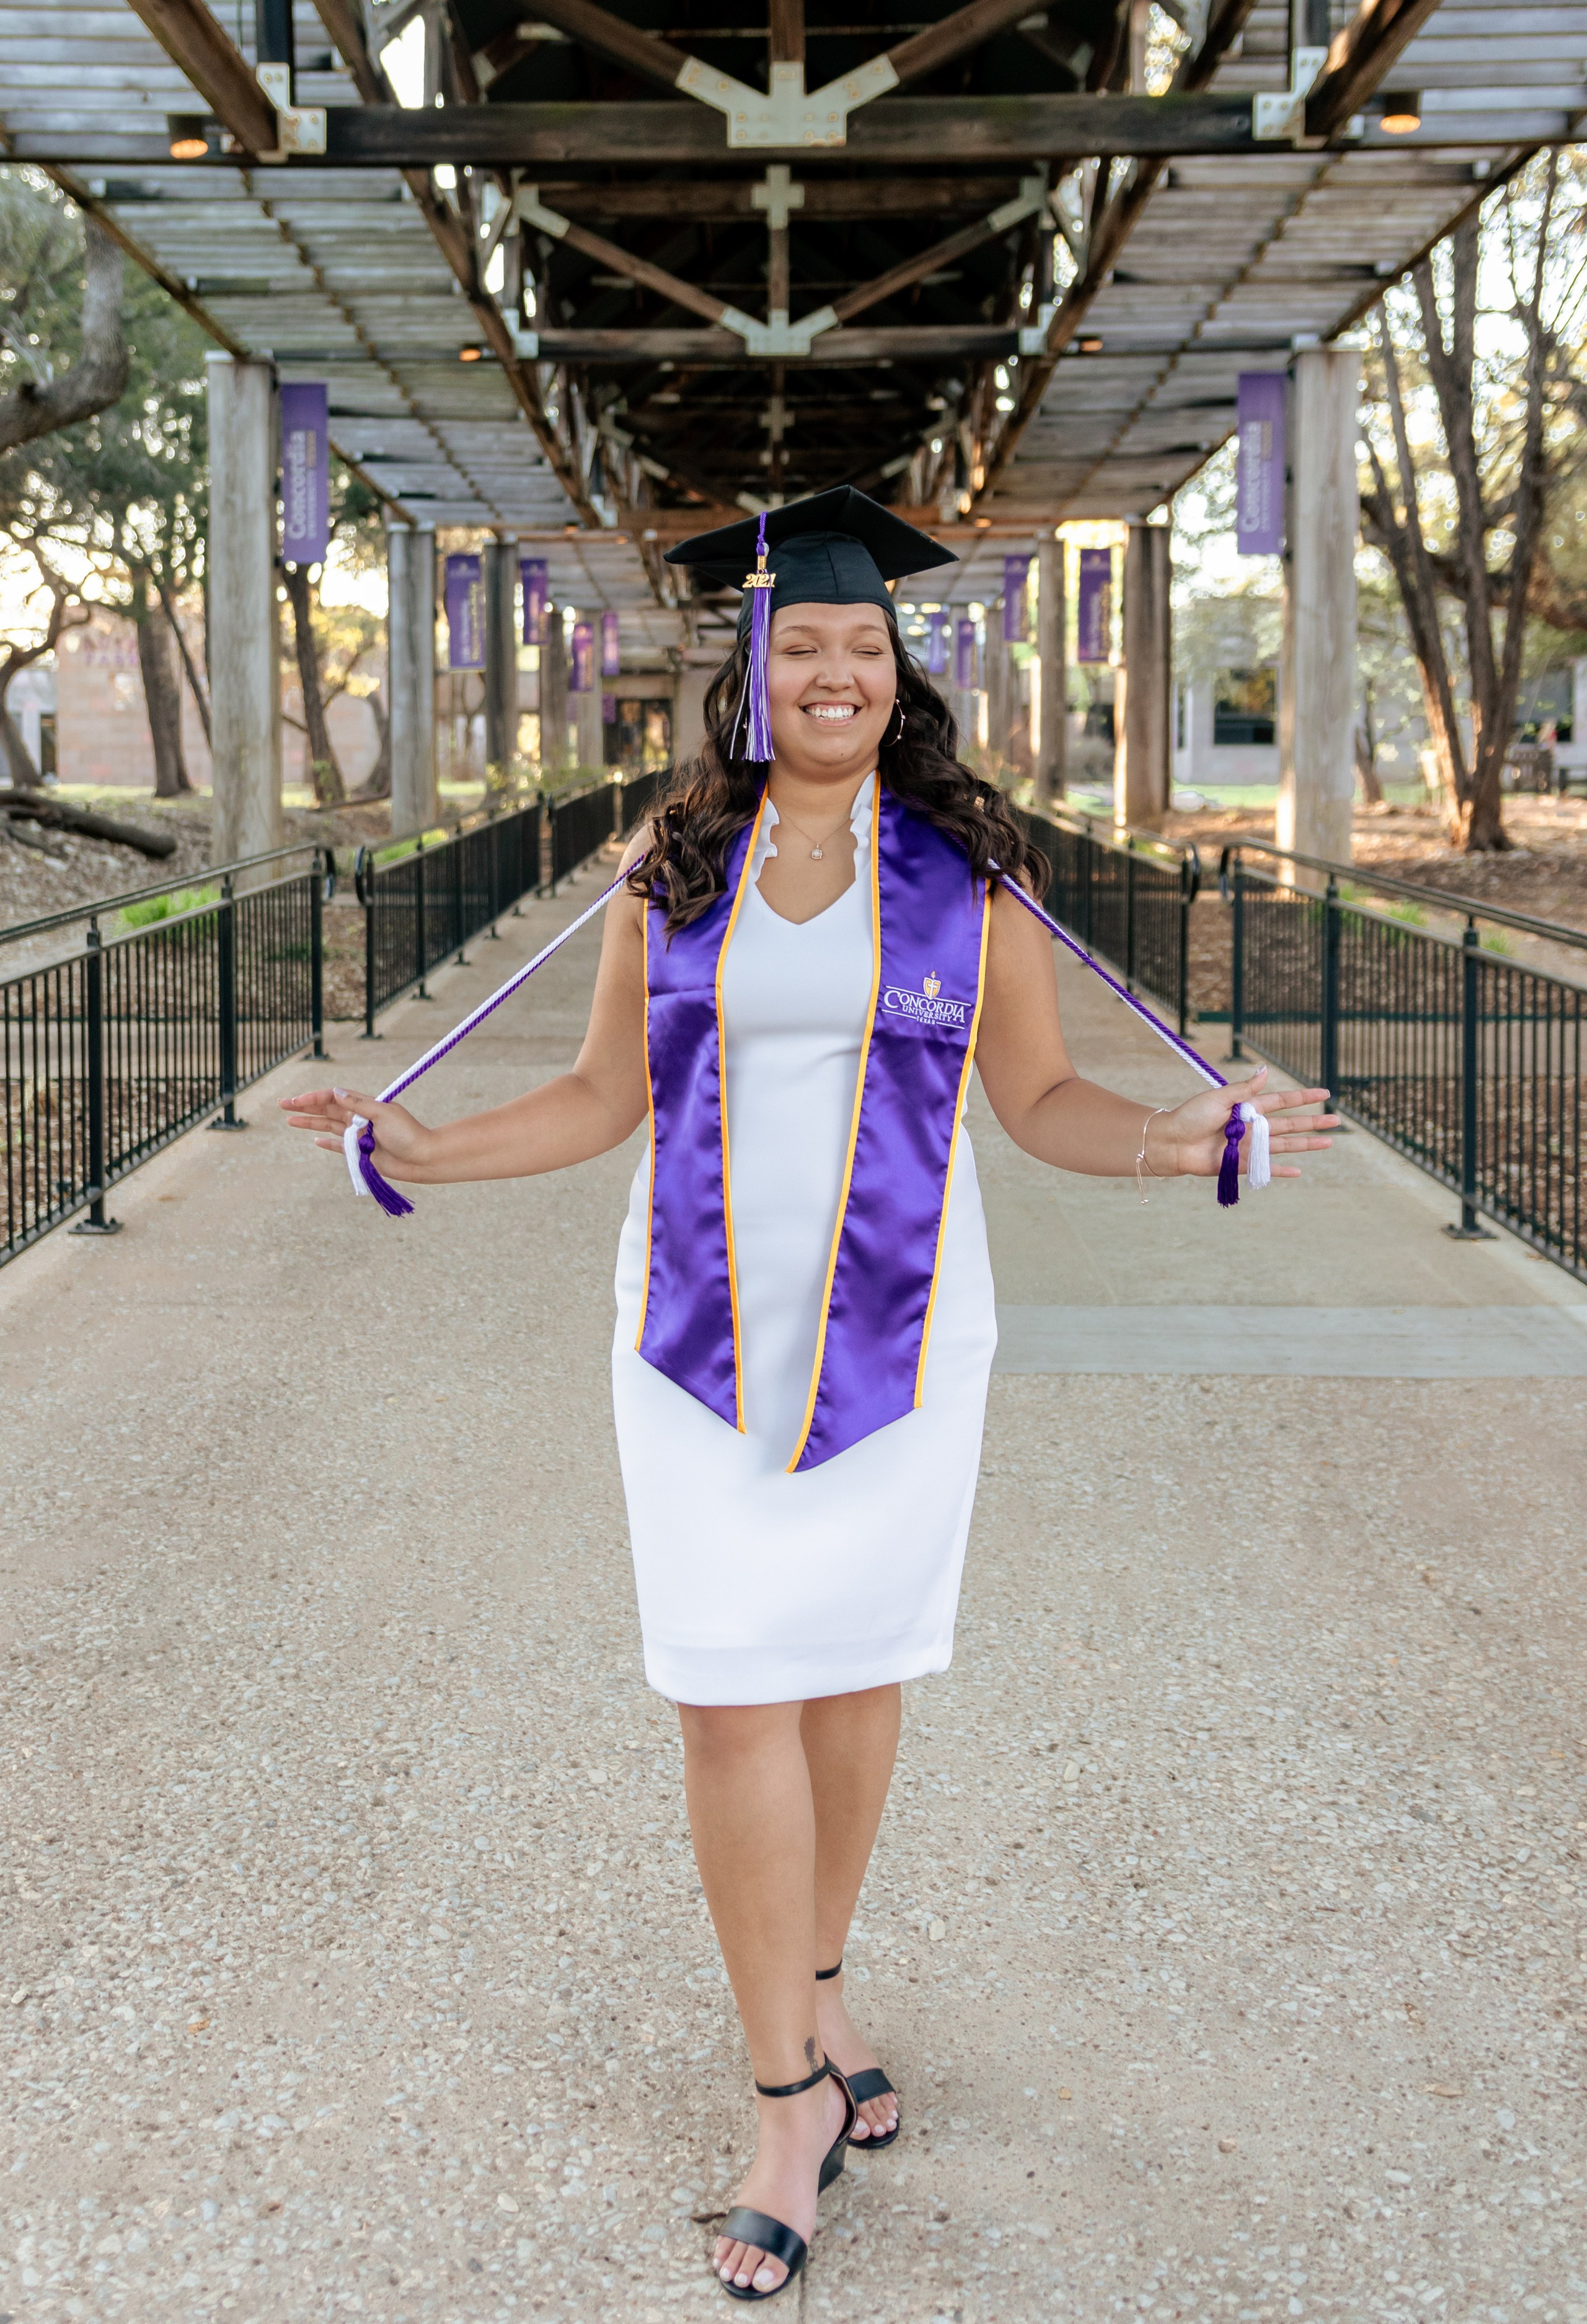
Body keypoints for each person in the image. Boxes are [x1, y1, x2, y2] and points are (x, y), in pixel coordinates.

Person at [281, 489, 1335, 2303]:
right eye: (805, 646)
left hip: (902, 1345)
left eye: (866, 645)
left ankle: (821, 1987)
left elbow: (1041, 1101)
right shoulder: (672, 863)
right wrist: (425, 1147)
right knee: (725, 1702)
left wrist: (1186, 1139)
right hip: (694, 1343)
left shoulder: (970, 873)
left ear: (896, 671)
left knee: (852, 1678)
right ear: (752, 670)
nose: (837, 672)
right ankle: (786, 2102)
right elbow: (604, 1095)